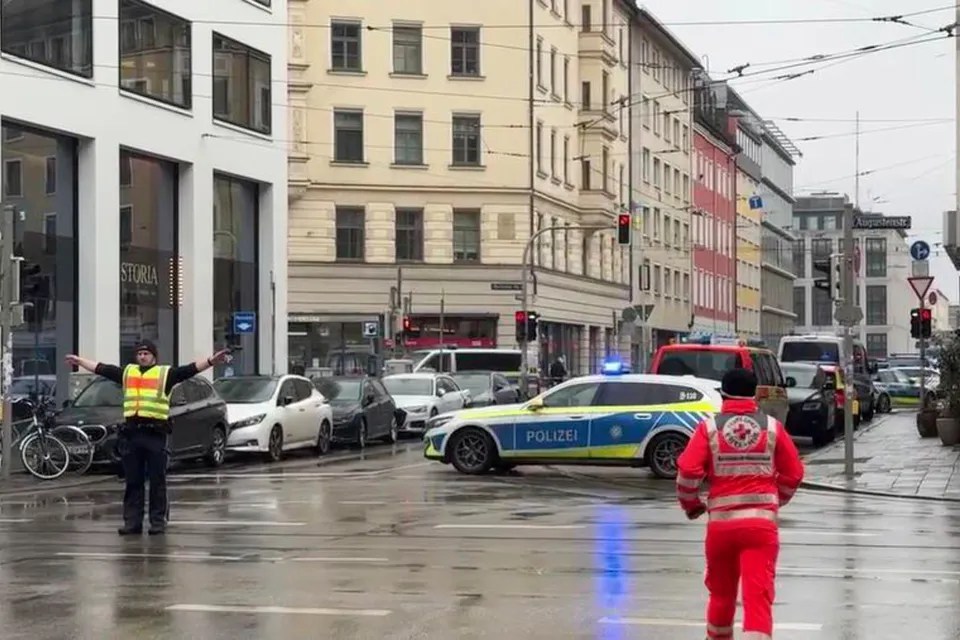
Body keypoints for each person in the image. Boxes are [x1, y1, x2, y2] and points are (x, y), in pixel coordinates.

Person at [675, 368, 805, 640]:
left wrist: (692, 505)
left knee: (721, 596)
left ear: (723, 395)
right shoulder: (772, 427)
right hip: (760, 528)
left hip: (721, 529)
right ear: (755, 395)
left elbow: (688, 472)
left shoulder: (709, 428)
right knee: (758, 597)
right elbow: (794, 473)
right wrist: (774, 501)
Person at [65, 341, 230, 536]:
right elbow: (103, 369)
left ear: (153, 356)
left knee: (157, 482)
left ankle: (157, 522)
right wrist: (80, 361)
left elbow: (189, 370)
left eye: (146, 353)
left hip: (155, 435)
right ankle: (132, 523)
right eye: (140, 353)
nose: (142, 356)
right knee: (133, 482)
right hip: (132, 434)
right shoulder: (128, 373)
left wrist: (211, 360)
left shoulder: (164, 374)